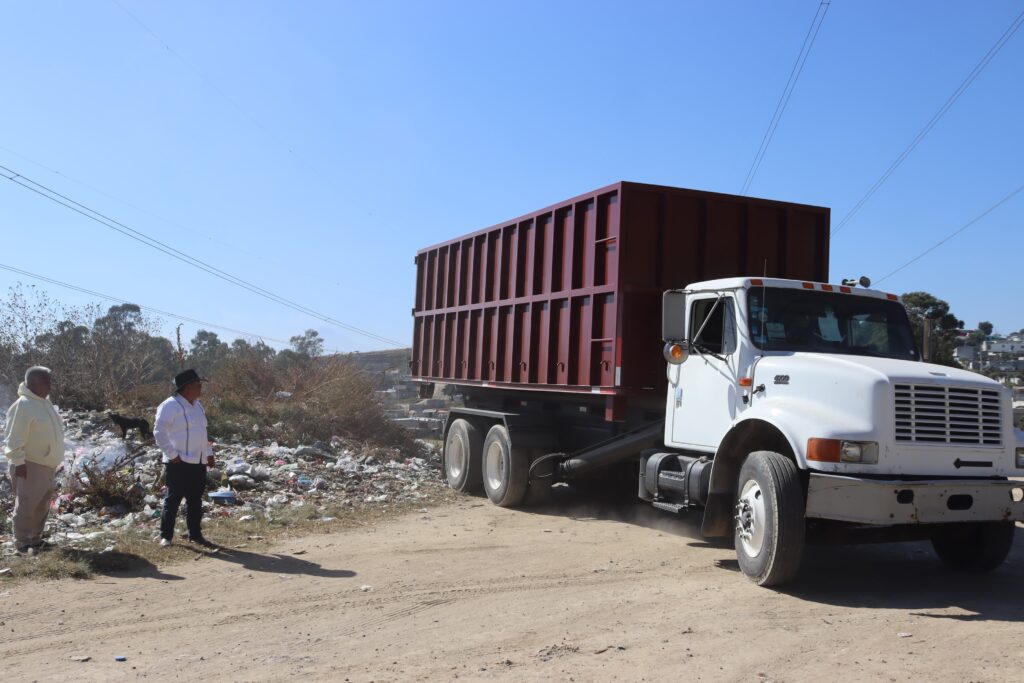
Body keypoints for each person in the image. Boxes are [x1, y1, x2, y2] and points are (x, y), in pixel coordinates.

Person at [4, 366, 65, 554]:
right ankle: (22, 543)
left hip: (46, 465)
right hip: (30, 464)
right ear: (33, 383)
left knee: (42, 504)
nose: (50, 385)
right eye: (46, 382)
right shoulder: (23, 405)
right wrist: (19, 463)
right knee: (26, 504)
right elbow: (13, 438)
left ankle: (36, 540)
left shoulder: (44, 403)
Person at [154, 368, 215, 547]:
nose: (200, 388)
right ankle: (166, 536)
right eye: (198, 385)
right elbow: (159, 432)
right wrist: (172, 455)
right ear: (187, 387)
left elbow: (203, 432)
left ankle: (195, 534)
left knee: (195, 500)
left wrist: (209, 454)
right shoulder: (169, 405)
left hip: (198, 461)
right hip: (178, 461)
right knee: (173, 499)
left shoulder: (198, 405)